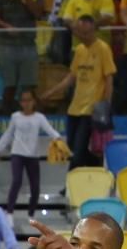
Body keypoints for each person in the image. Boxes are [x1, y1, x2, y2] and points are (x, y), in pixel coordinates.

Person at [46, 16, 114, 170]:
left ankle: (71, 182)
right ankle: (96, 170)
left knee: (78, 148)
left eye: (86, 33)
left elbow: (109, 78)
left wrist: (106, 105)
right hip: (75, 107)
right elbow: (71, 77)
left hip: (91, 109)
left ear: (93, 31)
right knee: (74, 148)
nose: (83, 36)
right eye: (80, 32)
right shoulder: (79, 50)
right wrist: (52, 91)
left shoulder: (103, 48)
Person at [0, 89, 61, 220]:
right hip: (17, 153)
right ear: (20, 103)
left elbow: (50, 130)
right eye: (23, 100)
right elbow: (8, 134)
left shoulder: (39, 117)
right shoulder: (15, 117)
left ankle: (31, 215)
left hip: (33, 155)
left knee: (35, 186)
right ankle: (9, 213)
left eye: (29, 100)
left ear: (34, 101)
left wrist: (58, 138)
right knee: (16, 181)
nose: (26, 103)